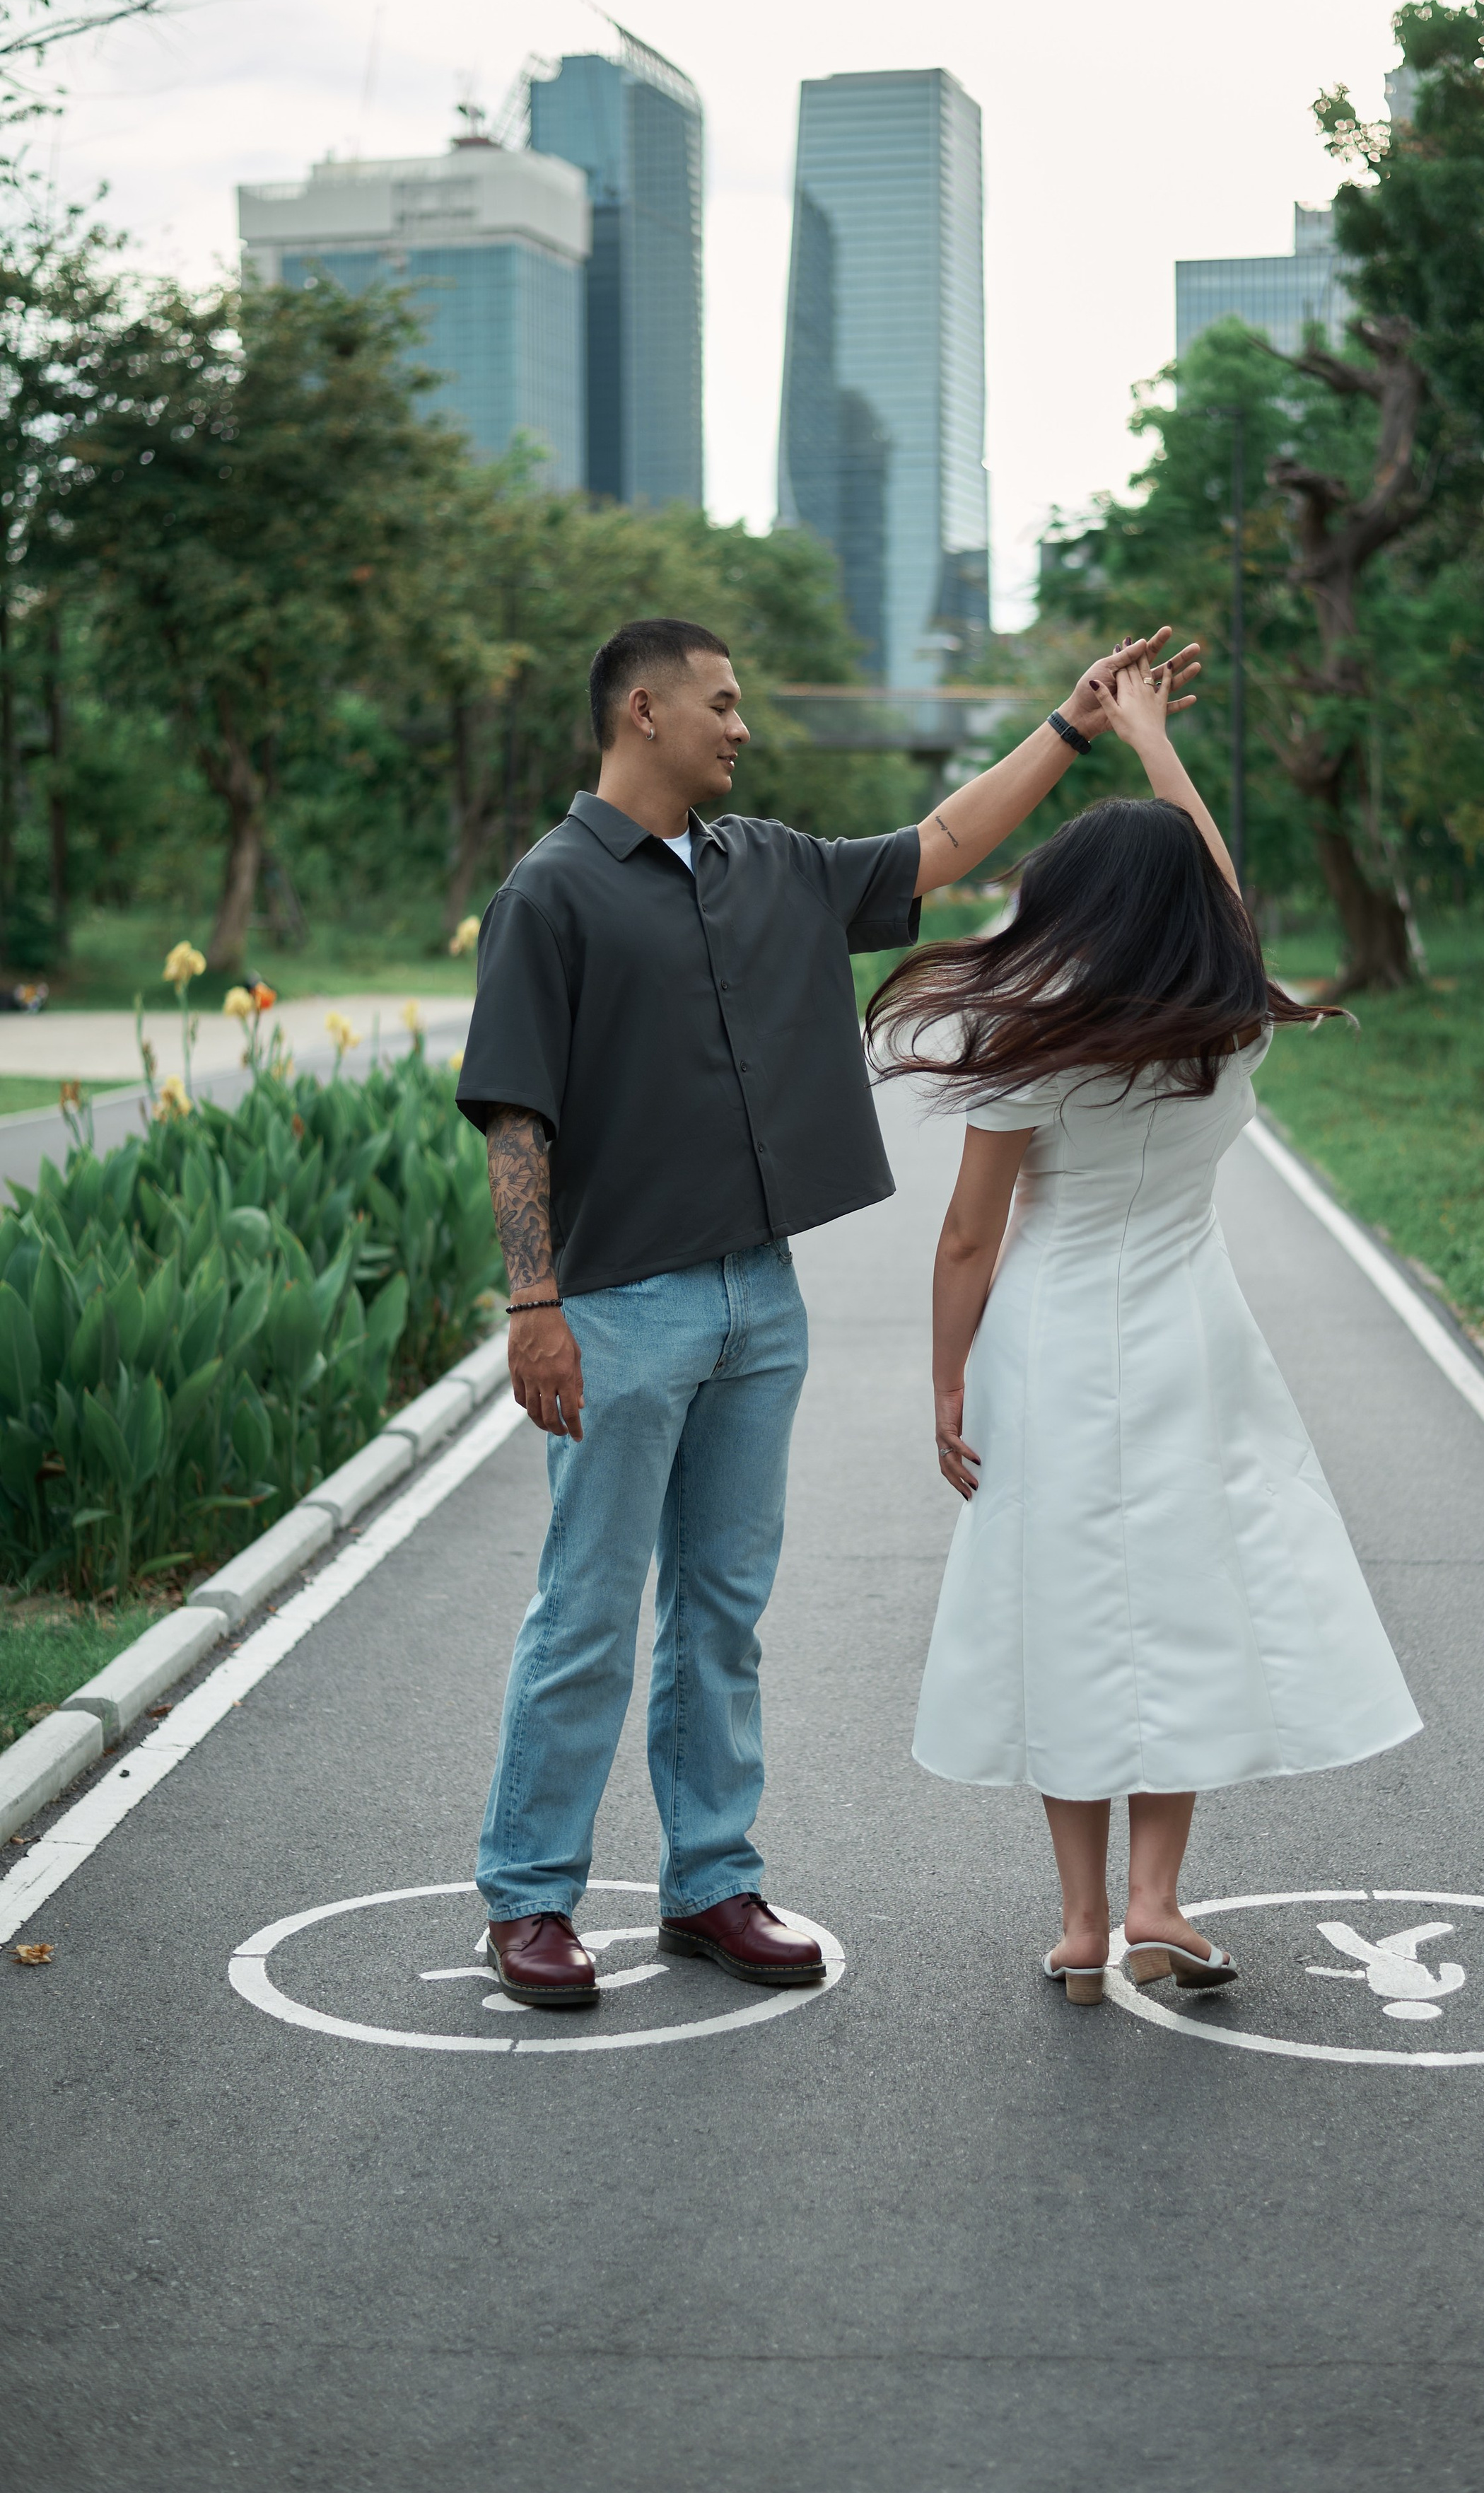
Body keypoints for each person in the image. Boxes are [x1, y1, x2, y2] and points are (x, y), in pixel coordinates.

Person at [455, 613, 1200, 2009]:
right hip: (616, 1307)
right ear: (639, 712)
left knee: (724, 1611)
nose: (740, 726)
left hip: (759, 1297)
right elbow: (513, 1108)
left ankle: (710, 1882)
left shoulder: (772, 866)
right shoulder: (549, 892)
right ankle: (529, 1896)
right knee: (588, 1608)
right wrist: (533, 1299)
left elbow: (939, 846)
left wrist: (1071, 724)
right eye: (720, 704)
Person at [868, 647, 1422, 2006]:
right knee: (1178, 1600)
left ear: (1064, 903)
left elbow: (967, 1238)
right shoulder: (1228, 1020)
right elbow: (1218, 890)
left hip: (1048, 1345)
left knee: (1065, 1604)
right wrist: (1159, 748)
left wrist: (947, 1383)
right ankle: (1158, 1902)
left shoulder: (1031, 1032)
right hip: (1194, 1335)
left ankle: (1075, 1924)